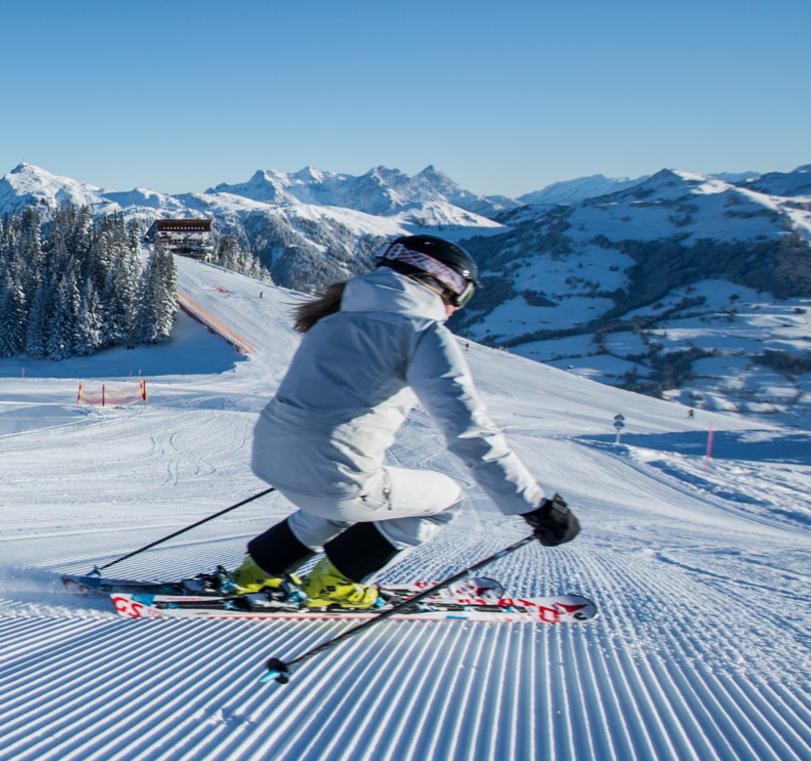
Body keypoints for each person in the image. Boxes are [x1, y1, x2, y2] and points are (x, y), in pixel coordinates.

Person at [230, 235, 579, 609]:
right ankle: (334, 582)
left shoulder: (332, 321)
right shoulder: (422, 333)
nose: (457, 307)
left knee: (352, 496)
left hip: (272, 460)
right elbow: (468, 431)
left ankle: (257, 571)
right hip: (331, 479)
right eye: (462, 295)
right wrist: (536, 506)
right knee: (443, 500)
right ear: (442, 283)